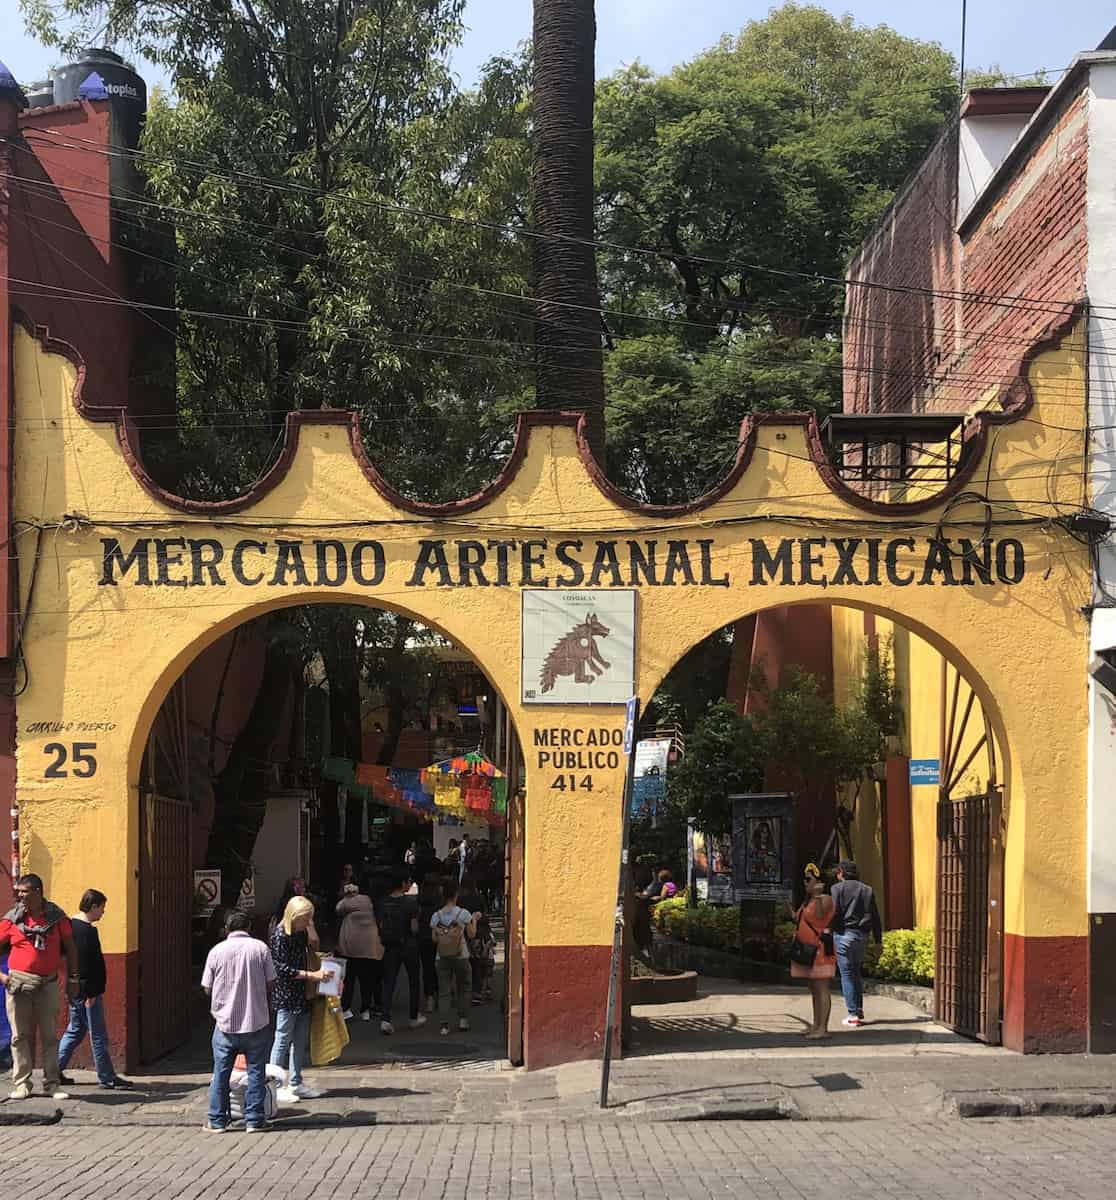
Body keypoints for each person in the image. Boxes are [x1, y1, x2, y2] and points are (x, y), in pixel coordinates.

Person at [0, 873, 79, 1100]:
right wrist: (2, 978)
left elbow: (71, 948)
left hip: (48, 984)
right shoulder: (12, 920)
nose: (19, 896)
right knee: (19, 1036)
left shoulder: (56, 918)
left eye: (24, 892)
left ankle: (52, 1083)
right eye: (18, 892)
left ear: (37, 892)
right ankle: (22, 1083)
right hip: (17, 984)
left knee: (49, 1035)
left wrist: (74, 979)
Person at [201, 909, 276, 1133]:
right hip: (256, 1021)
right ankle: (254, 1120)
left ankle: (217, 1121)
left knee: (221, 1073)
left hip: (225, 1024)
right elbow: (271, 982)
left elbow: (207, 987)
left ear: (227, 929)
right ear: (249, 928)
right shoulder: (261, 949)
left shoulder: (216, 951)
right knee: (256, 1072)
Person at [57, 889, 132, 1089]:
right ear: (93, 906)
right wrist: (91, 992)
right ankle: (107, 1077)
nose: (103, 912)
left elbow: (69, 960)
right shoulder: (88, 931)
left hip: (74, 989)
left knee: (75, 1030)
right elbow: (89, 964)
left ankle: (54, 1071)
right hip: (88, 991)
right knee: (98, 1035)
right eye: (102, 908)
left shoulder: (69, 927)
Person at [269, 896, 332, 1102]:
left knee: (300, 1038)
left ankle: (296, 1082)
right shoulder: (280, 935)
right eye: (305, 919)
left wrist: (310, 927)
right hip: (287, 993)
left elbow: (314, 945)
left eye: (309, 919)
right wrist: (311, 976)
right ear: (293, 916)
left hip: (303, 992)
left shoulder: (301, 932)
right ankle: (275, 1085)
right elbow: (281, 969)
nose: (307, 923)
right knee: (282, 1038)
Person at [830, 860, 883, 1028]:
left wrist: (830, 930)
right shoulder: (867, 890)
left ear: (841, 873)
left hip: (844, 934)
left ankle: (852, 1014)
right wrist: (878, 941)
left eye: (837, 872)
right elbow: (875, 917)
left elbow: (834, 912)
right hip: (862, 936)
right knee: (856, 972)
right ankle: (858, 1009)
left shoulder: (836, 889)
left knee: (846, 974)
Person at [789, 866, 836, 1040]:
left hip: (820, 950)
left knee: (822, 987)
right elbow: (801, 919)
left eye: (809, 879)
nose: (805, 883)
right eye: (805, 879)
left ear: (820, 883)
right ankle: (816, 1024)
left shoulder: (825, 899)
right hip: (807, 949)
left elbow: (819, 915)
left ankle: (823, 1027)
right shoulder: (808, 900)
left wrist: (816, 896)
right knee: (814, 988)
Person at [377, 867, 425, 1034]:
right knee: (413, 981)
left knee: (389, 982)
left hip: (390, 946)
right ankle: (413, 1017)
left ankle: (385, 1019)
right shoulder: (410, 903)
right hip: (408, 945)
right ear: (403, 883)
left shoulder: (383, 902)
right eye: (408, 881)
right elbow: (414, 928)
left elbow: (381, 926)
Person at [430, 880, 478, 1036]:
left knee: (444, 990)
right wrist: (475, 920)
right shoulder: (463, 913)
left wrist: (444, 934)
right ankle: (463, 1019)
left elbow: (434, 939)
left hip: (441, 957)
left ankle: (444, 1025)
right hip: (461, 955)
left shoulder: (436, 916)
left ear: (443, 896)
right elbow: (471, 934)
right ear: (456, 895)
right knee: (464, 987)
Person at [336, 882, 383, 1022]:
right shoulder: (368, 903)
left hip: (350, 948)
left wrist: (346, 897)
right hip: (368, 948)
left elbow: (338, 909)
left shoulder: (346, 905)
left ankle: (346, 1008)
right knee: (366, 979)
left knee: (349, 980)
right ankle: (365, 1010)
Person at [416, 871, 443, 1014]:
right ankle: (441, 995)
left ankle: (430, 998)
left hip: (424, 938)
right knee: (441, 967)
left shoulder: (419, 905)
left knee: (427, 968)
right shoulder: (440, 905)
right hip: (440, 938)